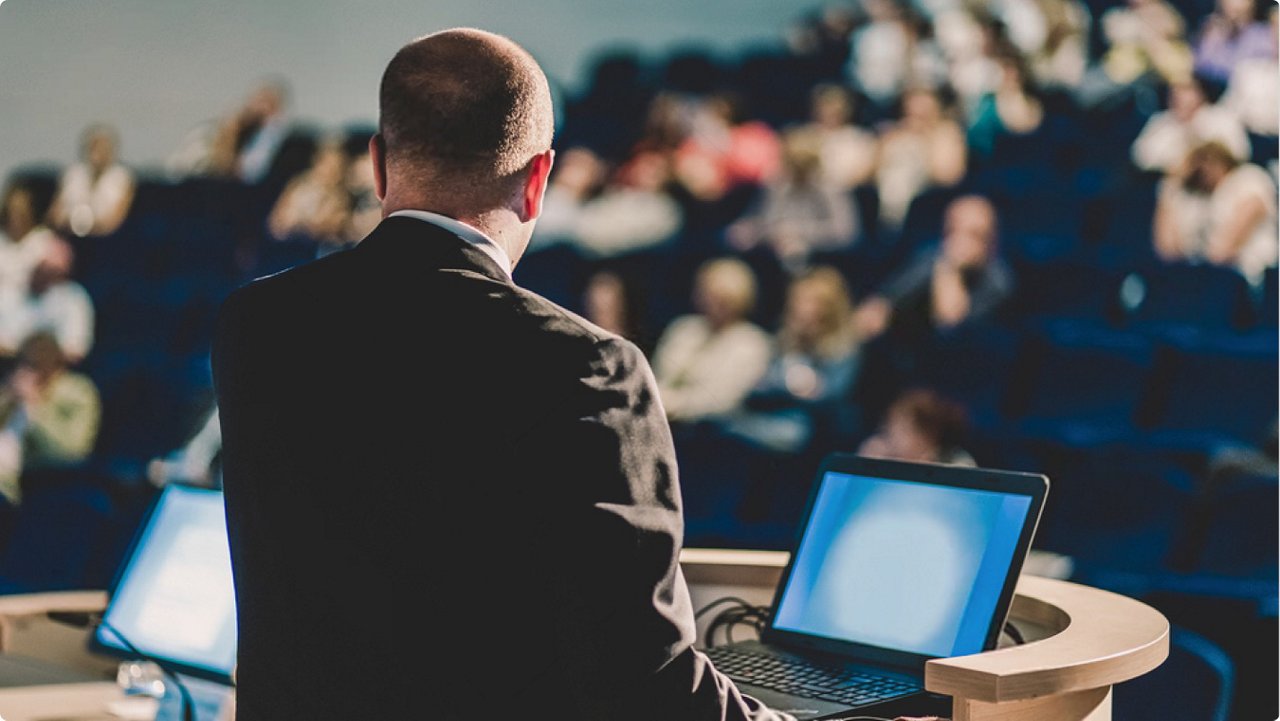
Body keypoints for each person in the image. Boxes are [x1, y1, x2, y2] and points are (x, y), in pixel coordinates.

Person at [214, 28, 822, 721]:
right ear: (538, 180)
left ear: (378, 166)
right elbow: (646, 681)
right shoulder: (585, 365)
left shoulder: (254, 325)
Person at [721, 267, 861, 454]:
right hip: (766, 416)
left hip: (803, 426)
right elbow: (760, 386)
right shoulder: (783, 340)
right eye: (799, 301)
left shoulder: (842, 350)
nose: (803, 309)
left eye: (813, 303)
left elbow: (831, 397)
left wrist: (788, 390)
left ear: (829, 310)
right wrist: (793, 390)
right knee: (725, 424)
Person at [854, 195, 1012, 343]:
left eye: (973, 234)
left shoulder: (998, 281)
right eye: (952, 231)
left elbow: (949, 324)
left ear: (991, 241)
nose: (959, 241)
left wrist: (950, 267)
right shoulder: (929, 256)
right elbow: (888, 299)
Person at [652, 258, 771, 423]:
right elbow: (660, 376)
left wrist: (672, 404)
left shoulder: (751, 342)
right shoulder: (683, 328)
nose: (713, 304)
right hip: (660, 414)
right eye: (708, 295)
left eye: (724, 299)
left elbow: (723, 401)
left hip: (712, 430)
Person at [1154, 141, 1277, 284]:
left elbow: (1223, 252)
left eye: (1207, 160)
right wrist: (1173, 184)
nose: (1203, 169)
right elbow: (1168, 250)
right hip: (1205, 281)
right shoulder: (1194, 197)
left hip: (1249, 278)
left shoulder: (1247, 178)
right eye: (1197, 164)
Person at [0, 332, 101, 505]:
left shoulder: (77, 395)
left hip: (22, 479)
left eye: (35, 367)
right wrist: (7, 397)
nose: (26, 374)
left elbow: (71, 452)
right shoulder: (11, 388)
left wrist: (33, 408)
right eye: (23, 365)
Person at [0, 236, 95, 364]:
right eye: (42, 268)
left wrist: (41, 354)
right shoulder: (7, 288)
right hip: (7, 366)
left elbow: (76, 350)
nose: (46, 275)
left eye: (54, 271)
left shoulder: (73, 298)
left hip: (54, 371)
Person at [1131, 76, 1250, 173]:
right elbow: (1140, 157)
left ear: (1201, 94)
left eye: (1186, 90)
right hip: (1176, 184)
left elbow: (1240, 153)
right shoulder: (1161, 121)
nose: (1179, 97)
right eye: (1175, 92)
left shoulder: (1222, 117)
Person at [47, 124, 136, 237]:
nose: (99, 153)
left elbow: (113, 222)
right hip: (69, 235)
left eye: (104, 148)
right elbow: (54, 216)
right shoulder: (73, 174)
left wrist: (85, 226)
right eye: (95, 147)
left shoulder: (123, 177)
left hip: (106, 240)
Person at [857, 388, 975, 466]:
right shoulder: (884, 456)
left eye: (902, 430)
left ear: (927, 435)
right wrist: (868, 465)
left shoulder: (957, 462)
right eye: (887, 429)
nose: (891, 438)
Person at [267, 141, 352, 246]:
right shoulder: (297, 184)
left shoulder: (340, 196)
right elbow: (276, 225)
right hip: (286, 248)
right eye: (326, 164)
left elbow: (335, 227)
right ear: (317, 162)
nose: (330, 171)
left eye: (336, 166)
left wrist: (307, 225)